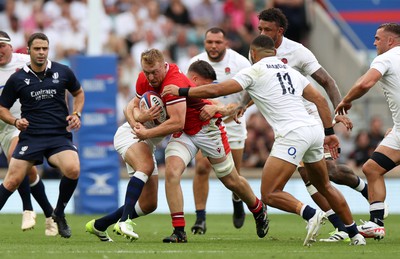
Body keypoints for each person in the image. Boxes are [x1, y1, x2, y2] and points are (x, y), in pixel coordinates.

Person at [162, 34, 366, 246]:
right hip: (314, 130)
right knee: (325, 185)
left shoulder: (254, 70)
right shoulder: (291, 72)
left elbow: (217, 89)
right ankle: (355, 234)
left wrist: (182, 90)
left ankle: (312, 214)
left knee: (269, 194)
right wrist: (329, 133)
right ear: (275, 53)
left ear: (253, 53)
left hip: (292, 134)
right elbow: (320, 100)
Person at [255, 8, 371, 242]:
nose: (262, 33)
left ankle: (369, 194)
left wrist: (338, 110)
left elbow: (327, 82)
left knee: (328, 173)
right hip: (290, 121)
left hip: (309, 118)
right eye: (260, 28)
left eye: (267, 29)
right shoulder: (258, 51)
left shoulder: (298, 52)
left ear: (280, 31)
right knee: (310, 176)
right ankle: (343, 228)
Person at [133, 48, 269, 243]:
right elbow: (132, 104)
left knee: (230, 180)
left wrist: (145, 133)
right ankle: (179, 231)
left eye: (154, 72)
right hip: (185, 134)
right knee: (172, 172)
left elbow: (177, 122)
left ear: (164, 66)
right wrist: (137, 117)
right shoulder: (144, 78)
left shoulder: (174, 83)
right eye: (147, 72)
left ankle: (257, 208)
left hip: (207, 130)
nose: (151, 76)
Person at [0, 32, 84, 238]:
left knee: (73, 169)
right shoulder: (17, 78)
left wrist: (76, 113)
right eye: (37, 49)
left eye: (44, 49)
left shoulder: (63, 71)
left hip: (58, 137)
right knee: (11, 181)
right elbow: (2, 108)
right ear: (28, 51)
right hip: (31, 136)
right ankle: (31, 210)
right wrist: (15, 121)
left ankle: (59, 213)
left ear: (48, 49)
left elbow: (78, 93)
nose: (41, 53)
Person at [335, 22, 400, 240]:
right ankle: (376, 223)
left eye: (377, 39)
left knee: (372, 169)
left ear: (391, 41)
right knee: (372, 169)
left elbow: (366, 83)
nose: (374, 43)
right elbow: (363, 79)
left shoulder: (386, 58)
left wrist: (346, 100)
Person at [187, 27, 251, 233]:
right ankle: (200, 219)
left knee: (234, 175)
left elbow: (254, 89)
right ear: (204, 43)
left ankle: (237, 200)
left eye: (217, 42)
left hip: (233, 122)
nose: (213, 46)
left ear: (226, 43)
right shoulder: (195, 63)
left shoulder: (240, 63)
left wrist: (242, 107)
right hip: (206, 124)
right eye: (209, 42)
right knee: (201, 168)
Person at [0, 30, 57, 236]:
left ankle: (27, 208)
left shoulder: (24, 62)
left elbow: (57, 78)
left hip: (21, 123)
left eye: (2, 46)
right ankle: (51, 214)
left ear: (10, 46)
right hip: (2, 126)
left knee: (17, 160)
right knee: (29, 172)